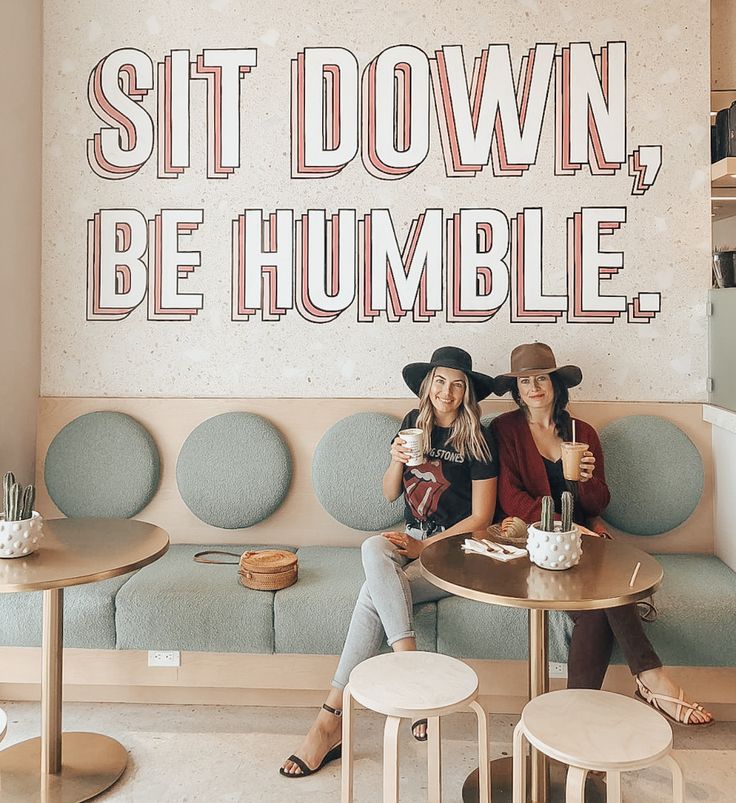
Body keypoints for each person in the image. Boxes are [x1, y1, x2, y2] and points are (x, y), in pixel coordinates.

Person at [280, 346, 499, 777]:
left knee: (370, 594)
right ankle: (411, 667)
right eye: (440, 381)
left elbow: (481, 519)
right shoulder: (410, 425)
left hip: (456, 552)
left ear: (468, 391)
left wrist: (423, 550)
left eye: (457, 384)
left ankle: (328, 723)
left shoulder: (478, 440)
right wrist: (395, 461)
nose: (447, 392)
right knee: (371, 548)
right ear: (428, 384)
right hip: (410, 539)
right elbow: (389, 494)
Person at [491, 342, 712, 726]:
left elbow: (598, 502)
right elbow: (510, 496)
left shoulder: (582, 431)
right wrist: (567, 526)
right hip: (532, 540)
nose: (534, 387)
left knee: (600, 604)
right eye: (525, 381)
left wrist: (589, 483)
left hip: (583, 544)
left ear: (556, 385)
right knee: (607, 589)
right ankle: (650, 677)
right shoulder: (505, 429)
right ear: (517, 390)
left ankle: (577, 719)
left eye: (541, 378)